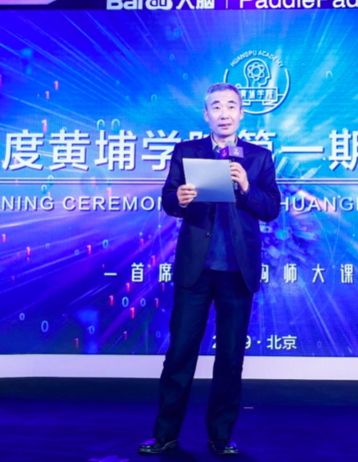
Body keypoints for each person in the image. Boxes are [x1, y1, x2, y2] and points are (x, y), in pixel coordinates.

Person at [139, 83, 281, 456]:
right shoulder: (187, 152)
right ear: (206, 114)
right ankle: (165, 434)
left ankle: (220, 436)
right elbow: (168, 198)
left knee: (230, 358)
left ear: (241, 113)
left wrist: (247, 187)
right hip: (195, 270)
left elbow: (271, 208)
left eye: (231, 106)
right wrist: (179, 199)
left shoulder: (259, 157)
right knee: (180, 354)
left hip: (237, 270)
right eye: (216, 106)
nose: (224, 113)